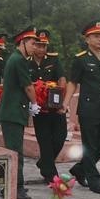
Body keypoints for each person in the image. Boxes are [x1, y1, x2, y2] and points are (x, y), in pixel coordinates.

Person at [61, 20, 100, 195]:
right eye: (96, 36)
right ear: (87, 39)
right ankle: (94, 181)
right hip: (88, 109)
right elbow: (72, 82)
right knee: (90, 145)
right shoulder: (81, 59)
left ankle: (79, 169)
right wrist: (66, 102)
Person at [0, 26, 41, 199]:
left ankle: (15, 183)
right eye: (32, 43)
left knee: (15, 150)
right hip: (13, 112)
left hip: (13, 111)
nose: (35, 47)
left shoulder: (16, 59)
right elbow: (28, 86)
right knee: (16, 152)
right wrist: (34, 103)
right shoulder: (19, 60)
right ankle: (16, 187)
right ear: (22, 43)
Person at [29, 29, 67, 183]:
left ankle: (44, 162)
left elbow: (62, 78)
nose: (41, 49)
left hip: (55, 107)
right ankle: (51, 174)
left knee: (60, 137)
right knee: (44, 140)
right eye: (38, 45)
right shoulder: (26, 61)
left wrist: (61, 98)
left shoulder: (54, 60)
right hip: (39, 109)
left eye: (44, 46)